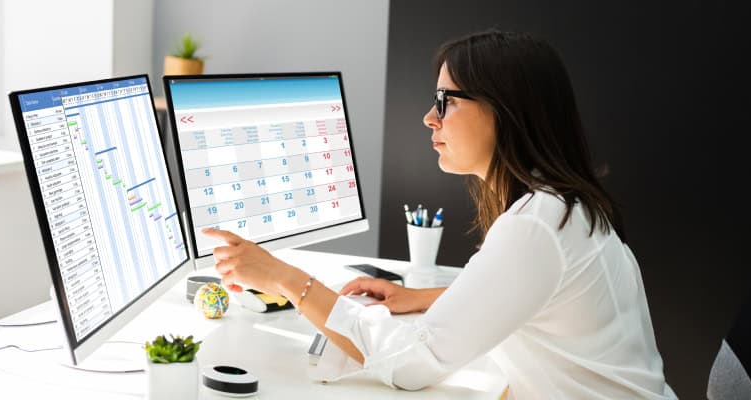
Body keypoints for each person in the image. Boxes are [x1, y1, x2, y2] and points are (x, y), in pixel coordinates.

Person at [202, 29, 677, 399]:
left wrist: (288, 279)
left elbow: (411, 364)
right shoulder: (563, 204)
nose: (431, 117)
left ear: (505, 111)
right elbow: (526, 294)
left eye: (446, 101)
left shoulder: (537, 225)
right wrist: (425, 297)